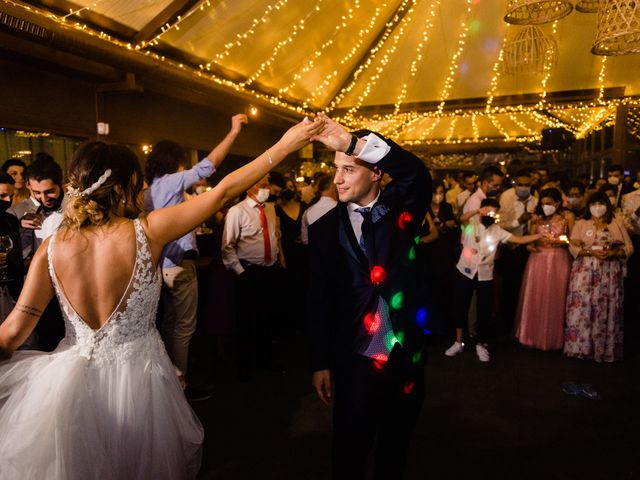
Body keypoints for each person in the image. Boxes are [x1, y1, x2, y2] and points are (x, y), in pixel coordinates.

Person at [0, 117, 325, 479]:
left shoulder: (51, 248)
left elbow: (12, 332)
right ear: (123, 187)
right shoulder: (148, 232)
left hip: (72, 386)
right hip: (141, 383)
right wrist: (285, 144)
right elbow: (223, 190)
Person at [307, 115, 430, 479]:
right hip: (354, 356)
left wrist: (353, 144)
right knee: (349, 447)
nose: (337, 179)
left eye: (348, 169)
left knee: (396, 445)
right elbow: (319, 298)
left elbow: (415, 174)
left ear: (376, 173)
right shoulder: (323, 228)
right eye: (335, 169)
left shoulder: (402, 208)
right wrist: (320, 361)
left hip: (405, 351)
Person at [144, 113, 247, 397]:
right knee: (184, 328)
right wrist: (233, 132)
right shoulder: (171, 181)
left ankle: (167, 380)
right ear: (174, 162)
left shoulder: (149, 190)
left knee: (168, 323)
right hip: (177, 264)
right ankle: (179, 385)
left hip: (157, 266)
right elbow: (208, 166)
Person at [445, 198, 542, 362]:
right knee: (460, 305)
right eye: (487, 210)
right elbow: (461, 218)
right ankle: (458, 342)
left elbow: (518, 240)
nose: (490, 214)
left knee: (484, 309)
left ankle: (481, 344)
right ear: (481, 210)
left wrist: (540, 234)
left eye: (493, 212)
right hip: (465, 271)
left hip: (485, 274)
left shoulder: (497, 230)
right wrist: (476, 211)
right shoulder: (471, 223)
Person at [221, 175, 285, 380]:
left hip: (270, 270)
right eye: (263, 185)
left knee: (268, 317)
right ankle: (245, 367)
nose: (268, 189)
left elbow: (275, 235)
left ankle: (266, 359)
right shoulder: (237, 211)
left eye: (268, 185)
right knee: (247, 320)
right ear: (250, 187)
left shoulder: (270, 208)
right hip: (249, 271)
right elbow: (227, 246)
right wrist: (241, 272)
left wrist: (279, 258)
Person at [564, 192, 633, 362]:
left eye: (600, 204)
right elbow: (573, 246)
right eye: (593, 204)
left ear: (607, 206)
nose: (597, 207)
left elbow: (629, 248)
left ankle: (604, 347)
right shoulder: (581, 223)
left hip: (608, 271)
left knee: (605, 306)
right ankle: (581, 346)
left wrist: (614, 252)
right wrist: (589, 251)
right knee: (584, 305)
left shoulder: (615, 223)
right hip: (586, 271)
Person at [514, 188, 574, 351]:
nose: (546, 206)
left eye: (549, 203)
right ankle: (532, 334)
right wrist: (530, 247)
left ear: (558, 203)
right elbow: (530, 240)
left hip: (558, 258)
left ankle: (556, 336)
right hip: (538, 259)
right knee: (537, 294)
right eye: (543, 203)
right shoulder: (537, 218)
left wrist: (563, 242)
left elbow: (573, 239)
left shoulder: (567, 216)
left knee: (556, 294)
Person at [497, 169, 538, 332]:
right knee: (509, 287)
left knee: (525, 286)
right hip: (510, 245)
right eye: (520, 185)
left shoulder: (535, 200)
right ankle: (507, 323)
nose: (523, 187)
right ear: (514, 184)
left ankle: (523, 323)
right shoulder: (507, 197)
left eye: (527, 185)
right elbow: (499, 224)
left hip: (528, 246)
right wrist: (518, 222)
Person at [7, 155, 64, 266]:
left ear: (60, 184)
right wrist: (19, 228)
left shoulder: (77, 209)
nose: (44, 199)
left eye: (49, 191)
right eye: (37, 193)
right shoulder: (30, 213)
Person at [300, 174, 337, 245]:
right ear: (332, 188)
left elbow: (305, 240)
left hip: (316, 254)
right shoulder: (341, 208)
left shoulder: (307, 212)